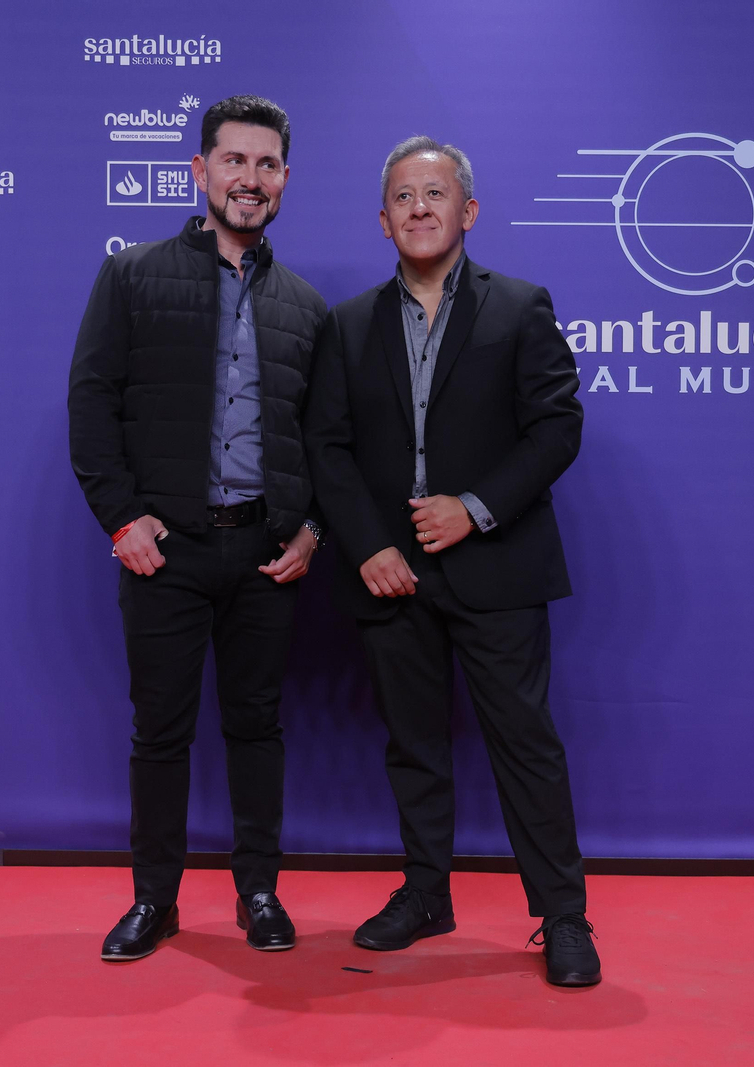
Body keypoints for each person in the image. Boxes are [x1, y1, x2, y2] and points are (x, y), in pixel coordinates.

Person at [304, 136, 599, 986]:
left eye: (436, 194)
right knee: (413, 743)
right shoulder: (348, 323)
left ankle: (563, 914)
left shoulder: (520, 306)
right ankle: (426, 894)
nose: (420, 209)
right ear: (384, 219)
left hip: (498, 564)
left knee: (526, 743)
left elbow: (556, 429)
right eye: (404, 196)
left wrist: (472, 510)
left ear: (467, 212)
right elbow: (326, 447)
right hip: (391, 575)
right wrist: (371, 547)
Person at [68, 95, 326, 961]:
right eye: (234, 161)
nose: (249, 179)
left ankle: (259, 893)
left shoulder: (304, 306)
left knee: (257, 727)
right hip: (165, 553)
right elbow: (91, 403)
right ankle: (154, 900)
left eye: (266, 165)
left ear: (283, 179)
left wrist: (311, 528)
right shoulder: (133, 275)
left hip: (262, 555)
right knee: (160, 731)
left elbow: (322, 438)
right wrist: (121, 519)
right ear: (200, 171)